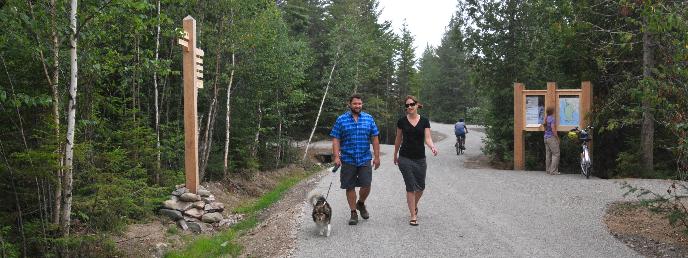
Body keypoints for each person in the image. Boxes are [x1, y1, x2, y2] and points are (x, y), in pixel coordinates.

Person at [330, 94, 381, 225]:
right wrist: (336, 156)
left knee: (366, 184)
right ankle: (353, 212)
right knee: (350, 186)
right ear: (350, 104)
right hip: (348, 158)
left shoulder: (369, 119)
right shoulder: (341, 120)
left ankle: (361, 203)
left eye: (359, 104)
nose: (357, 106)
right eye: (355, 104)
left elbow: (375, 138)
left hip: (364, 157)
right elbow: (336, 138)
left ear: (362, 104)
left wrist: (377, 156)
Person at [393, 95, 438, 226]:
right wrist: (395, 154)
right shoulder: (401, 121)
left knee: (421, 187)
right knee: (410, 187)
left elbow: (428, 138)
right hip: (405, 157)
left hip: (420, 158)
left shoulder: (424, 121)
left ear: (417, 104)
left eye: (412, 104)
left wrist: (432, 147)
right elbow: (398, 139)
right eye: (407, 105)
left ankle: (414, 205)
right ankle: (413, 215)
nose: (409, 107)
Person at [542, 106, 560, 175]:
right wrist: (557, 138)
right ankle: (553, 171)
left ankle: (548, 170)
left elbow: (545, 128)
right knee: (556, 154)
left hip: (545, 138)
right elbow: (553, 129)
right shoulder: (552, 119)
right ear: (552, 111)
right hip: (551, 138)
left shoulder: (545, 118)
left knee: (548, 154)